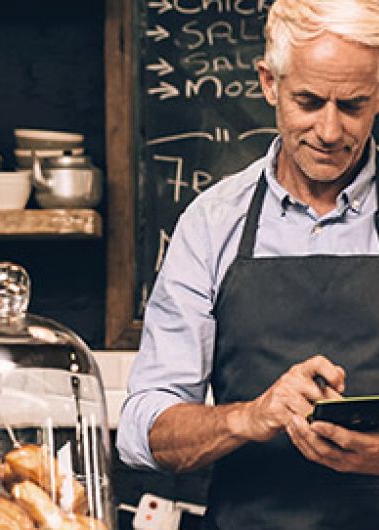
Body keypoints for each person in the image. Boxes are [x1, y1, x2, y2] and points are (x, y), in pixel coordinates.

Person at [117, 0, 379, 528]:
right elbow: (143, 430)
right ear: (268, 83)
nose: (329, 131)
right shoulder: (213, 223)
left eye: (352, 105)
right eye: (308, 101)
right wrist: (249, 417)